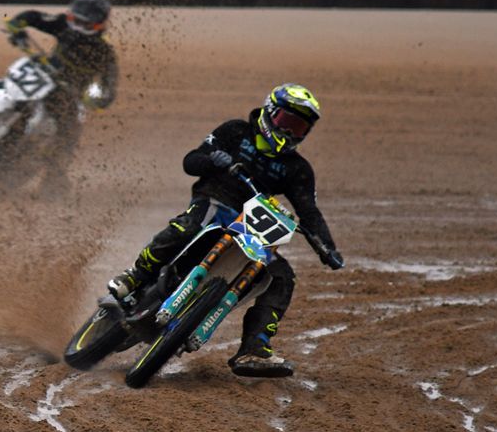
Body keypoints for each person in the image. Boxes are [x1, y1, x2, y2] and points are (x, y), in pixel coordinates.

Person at [106, 84, 344, 376]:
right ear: (270, 112)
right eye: (287, 122)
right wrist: (212, 160)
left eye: (299, 128)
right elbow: (190, 162)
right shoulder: (235, 132)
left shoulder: (298, 169)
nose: (291, 132)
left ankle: (255, 348)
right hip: (215, 202)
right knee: (189, 226)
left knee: (282, 277)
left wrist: (328, 248)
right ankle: (135, 277)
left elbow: (309, 212)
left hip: (252, 228)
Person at [3, 0, 119, 195]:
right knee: (6, 91)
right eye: (76, 21)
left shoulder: (105, 52)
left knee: (69, 134)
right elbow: (33, 16)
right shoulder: (63, 24)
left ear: (100, 26)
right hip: (44, 76)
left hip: (71, 95)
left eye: (86, 25)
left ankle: (54, 178)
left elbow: (109, 87)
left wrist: (98, 99)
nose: (78, 28)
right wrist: (16, 26)